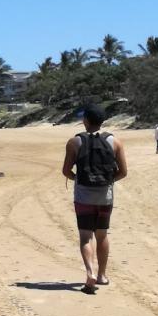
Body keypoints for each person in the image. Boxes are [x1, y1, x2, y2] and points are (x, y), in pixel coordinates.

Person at [61, 104, 128, 293]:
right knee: (102, 234)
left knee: (85, 236)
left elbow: (66, 171)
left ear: (86, 121)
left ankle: (90, 273)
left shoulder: (74, 142)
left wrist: (79, 180)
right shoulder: (115, 142)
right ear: (102, 121)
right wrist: (107, 181)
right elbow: (123, 172)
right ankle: (102, 276)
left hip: (83, 196)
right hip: (105, 196)